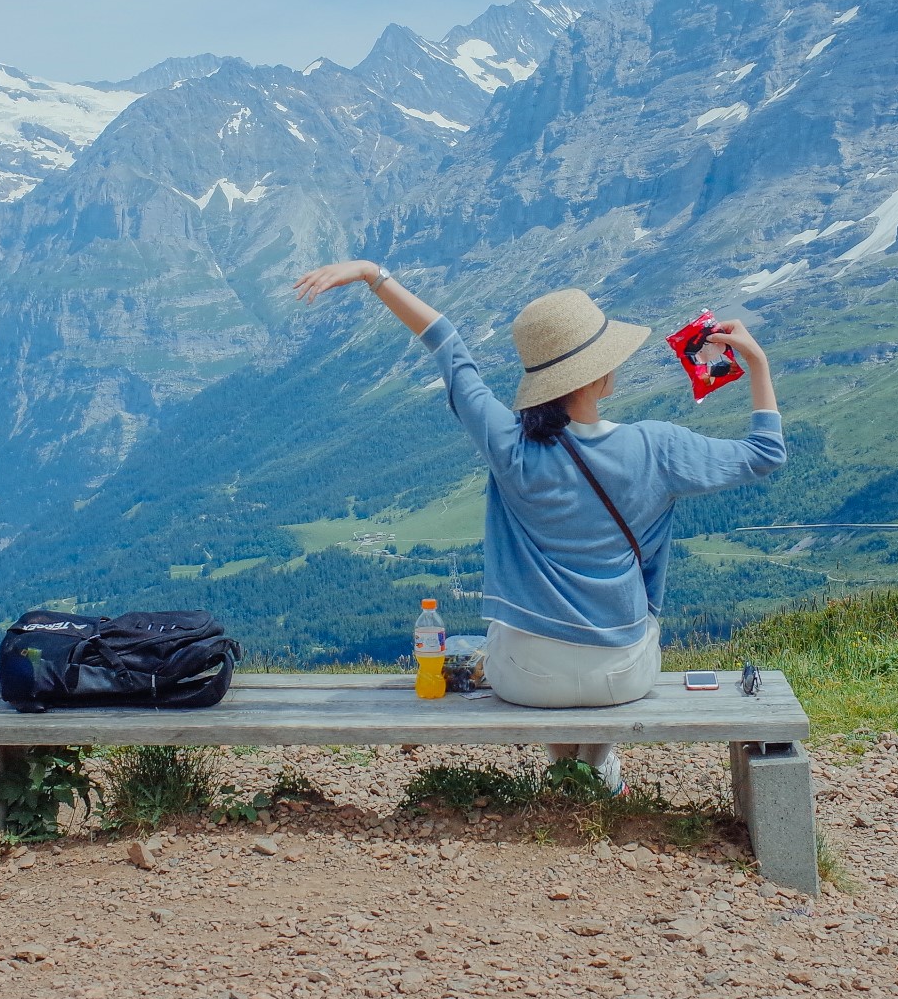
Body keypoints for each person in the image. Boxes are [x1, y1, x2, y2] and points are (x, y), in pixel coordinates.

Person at [292, 260, 786, 793]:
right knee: (637, 627)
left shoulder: (509, 445)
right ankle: (597, 768)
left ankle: (563, 768)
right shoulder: (657, 445)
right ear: (600, 376)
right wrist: (756, 364)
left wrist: (373, 274)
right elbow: (765, 453)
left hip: (527, 679)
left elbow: (447, 345)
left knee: (509, 637)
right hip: (623, 675)